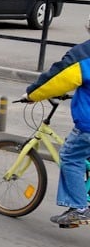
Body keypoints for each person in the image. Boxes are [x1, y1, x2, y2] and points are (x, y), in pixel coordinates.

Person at [23, 16, 90, 225]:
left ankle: (80, 208)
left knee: (70, 156)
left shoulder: (84, 54)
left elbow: (57, 78)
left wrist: (32, 95)